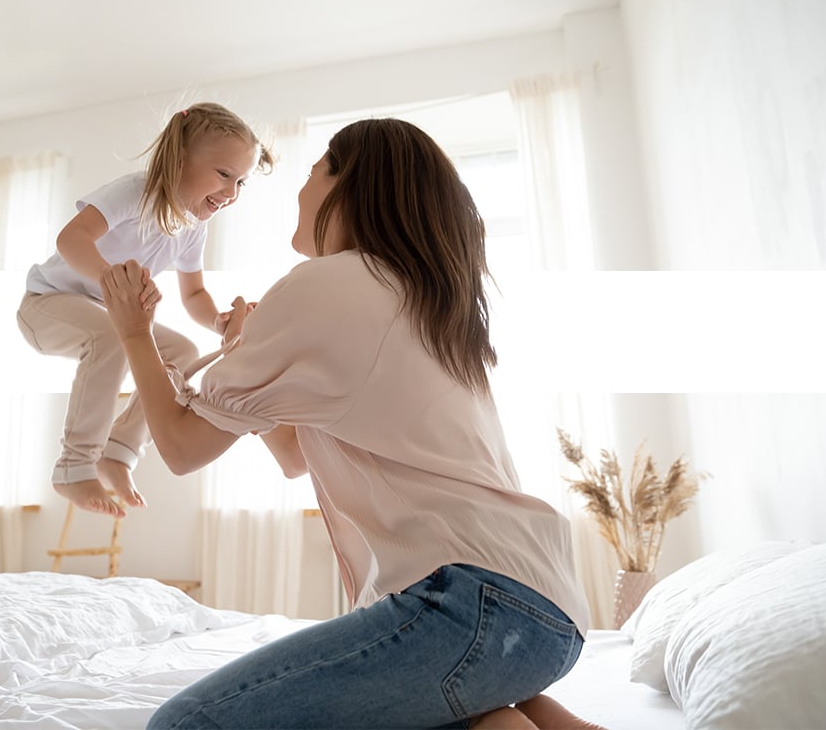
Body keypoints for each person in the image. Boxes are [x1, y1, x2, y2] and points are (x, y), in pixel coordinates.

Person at [100, 118, 605, 729]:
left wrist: (133, 331)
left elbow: (180, 447)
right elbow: (292, 457)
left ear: (348, 183)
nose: (297, 189)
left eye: (314, 169)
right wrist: (248, 360)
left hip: (470, 605)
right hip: (545, 613)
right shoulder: (423, 298)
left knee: (184, 725)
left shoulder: (329, 282)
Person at [17, 102, 273, 517]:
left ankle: (119, 451)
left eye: (241, 182)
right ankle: (74, 466)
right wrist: (110, 280)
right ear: (182, 158)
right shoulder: (137, 192)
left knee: (184, 352)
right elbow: (72, 238)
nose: (231, 193)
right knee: (110, 336)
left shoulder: (192, 227)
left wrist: (217, 320)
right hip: (46, 304)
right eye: (224, 174)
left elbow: (193, 295)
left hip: (106, 312)